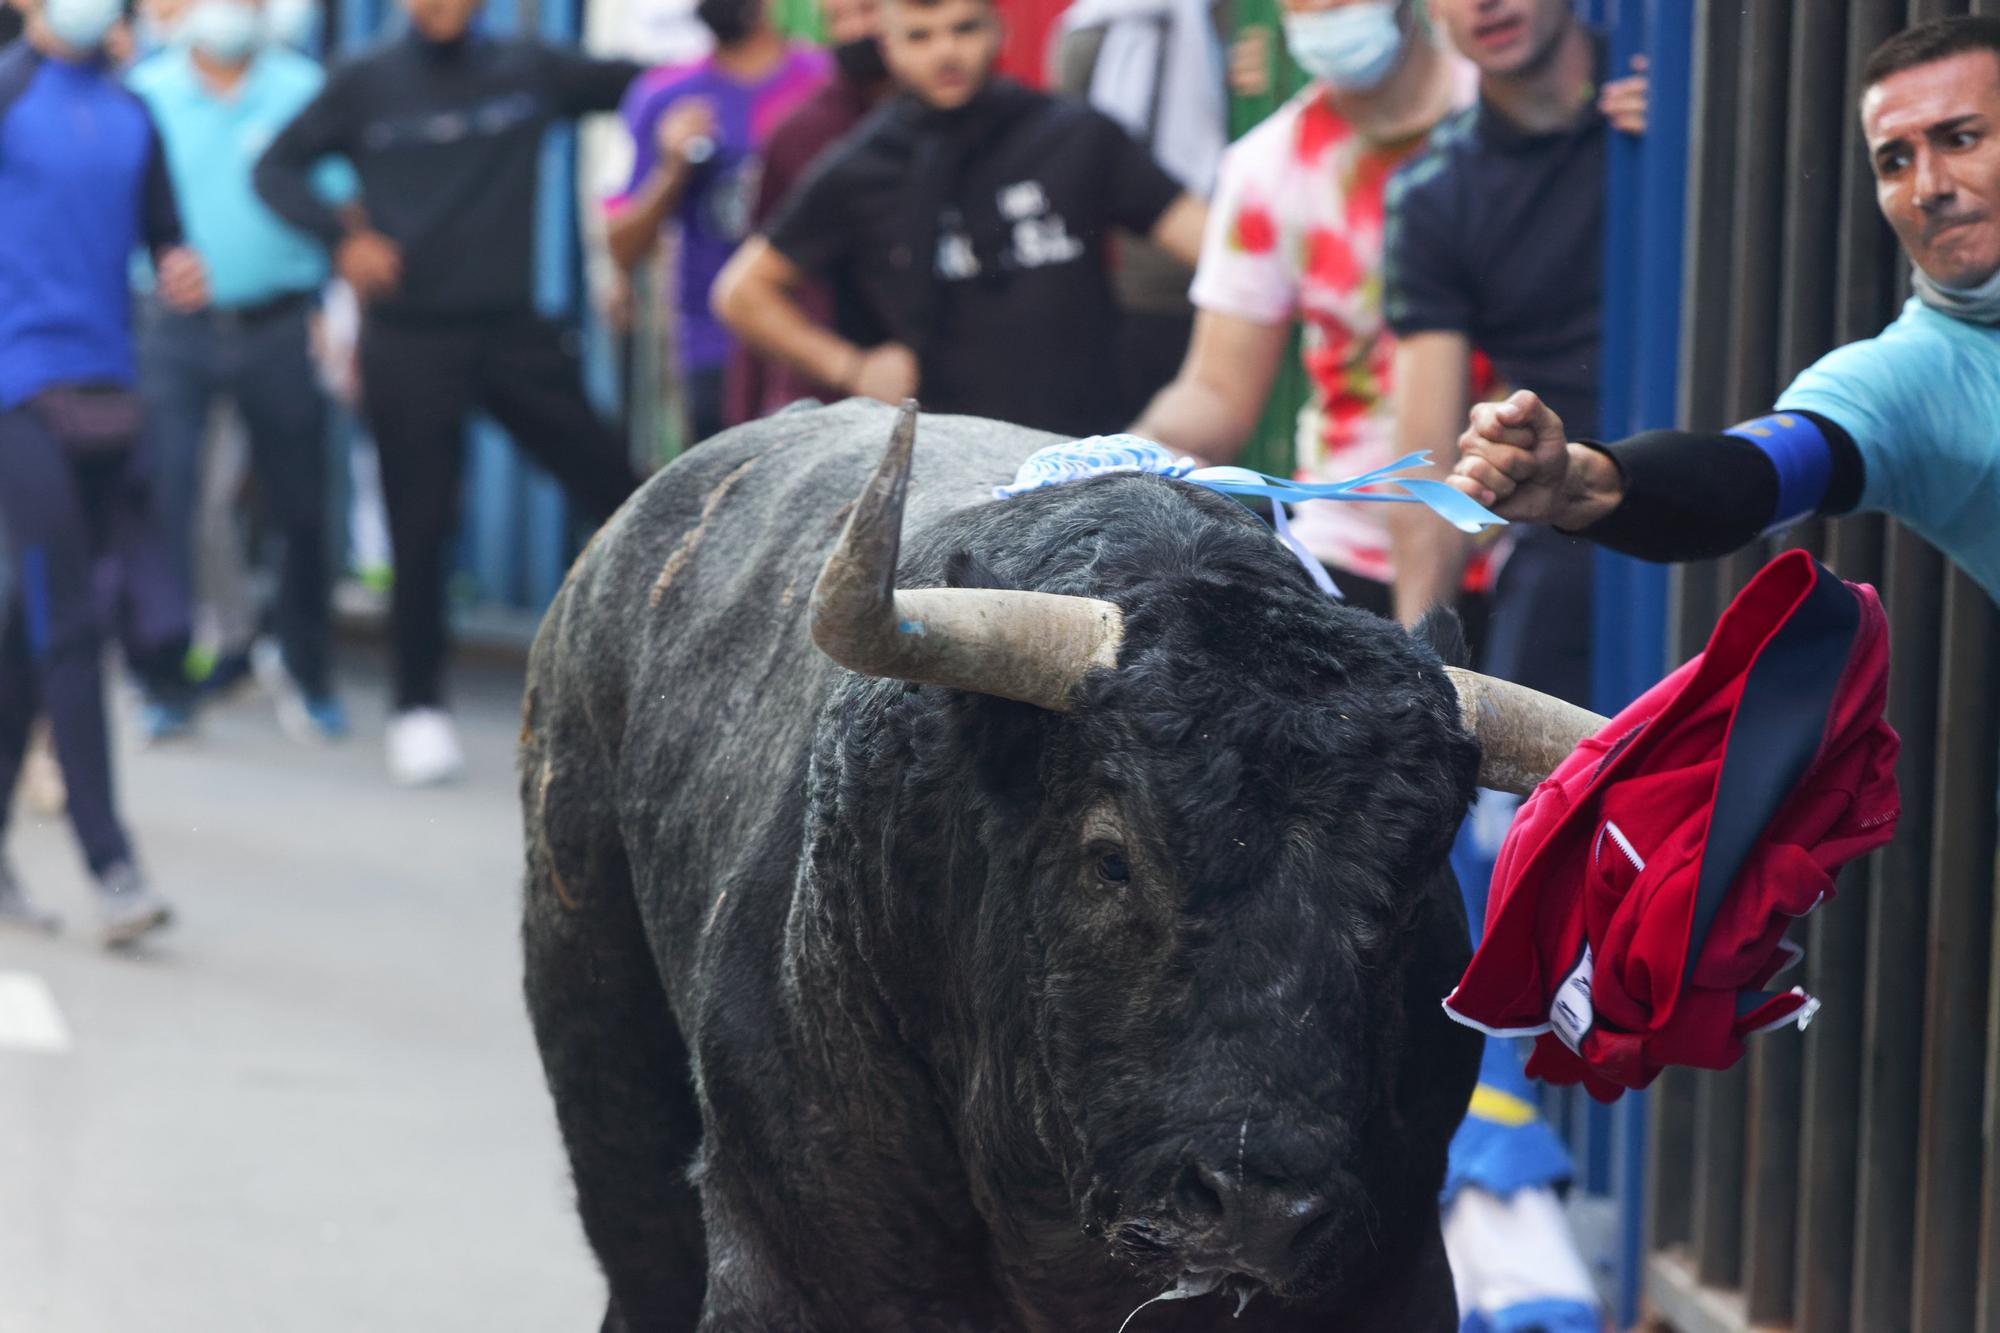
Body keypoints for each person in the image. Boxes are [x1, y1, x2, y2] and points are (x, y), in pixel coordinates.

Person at [1450, 15, 2000, 610]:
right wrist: (1579, 482)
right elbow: (1748, 476)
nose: (1926, 188)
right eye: (1894, 162)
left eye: (1960, 139)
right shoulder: (1910, 378)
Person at [254, 0, 647, 786]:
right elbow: (273, 169)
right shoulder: (365, 80)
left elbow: (650, 85)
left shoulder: (528, 68)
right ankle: (417, 707)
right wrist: (344, 239)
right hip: (409, 339)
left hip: (511, 332)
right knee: (419, 527)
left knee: (625, 491)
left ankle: (649, 673)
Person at [1132, 0, 1488, 620]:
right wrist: (1130, 455)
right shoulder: (1267, 165)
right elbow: (1217, 390)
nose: (1324, 8)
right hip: (1347, 550)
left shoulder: (1502, 110)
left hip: (1527, 533)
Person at [711, 0, 1208, 437]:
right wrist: (852, 368)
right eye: (920, 36)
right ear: (888, 44)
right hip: (945, 468)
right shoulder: (862, 167)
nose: (945, 52)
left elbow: (1214, 247)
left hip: (1085, 451)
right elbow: (742, 293)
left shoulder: (1076, 135)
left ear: (998, 28)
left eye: (964, 28)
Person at [0, 0, 205, 944]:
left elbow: (167, 239)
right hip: (16, 393)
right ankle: (113, 866)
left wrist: (180, 270)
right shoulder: (8, 92)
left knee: (27, 628)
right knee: (73, 619)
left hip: (109, 394)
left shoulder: (133, 114)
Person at [1378, 0, 1644, 709]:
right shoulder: (1435, 194)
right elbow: (1427, 465)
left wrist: (1701, 127)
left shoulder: (1668, 83)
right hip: (1575, 527)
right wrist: (1413, 689)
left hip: (1745, 473)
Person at [129, 0, 351, 745]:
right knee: (166, 500)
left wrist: (338, 311)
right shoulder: (148, 91)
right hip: (174, 330)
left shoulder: (305, 88)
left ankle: (308, 670)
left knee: (302, 506)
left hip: (281, 323)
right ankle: (165, 679)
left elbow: (343, 203)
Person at [605, 0, 828, 444]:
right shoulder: (664, 96)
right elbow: (620, 246)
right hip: (714, 351)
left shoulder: (824, 81)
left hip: (817, 341)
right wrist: (671, 171)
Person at [1051, 0, 1229, 422]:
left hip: (1227, 273)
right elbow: (1074, 157)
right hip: (1133, 290)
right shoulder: (1088, 28)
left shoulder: (1234, 15)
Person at [725, 0, 891, 421]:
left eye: (868, 11)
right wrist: (851, 368)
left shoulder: (964, 129)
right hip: (830, 401)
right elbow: (751, 288)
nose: (855, 31)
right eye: (839, 18)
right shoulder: (805, 134)